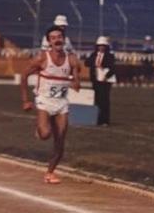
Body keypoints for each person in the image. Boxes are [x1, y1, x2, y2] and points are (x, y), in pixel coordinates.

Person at [21, 25, 82, 184]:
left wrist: (70, 80)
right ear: (49, 42)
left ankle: (50, 172)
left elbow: (77, 85)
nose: (57, 40)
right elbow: (24, 76)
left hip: (62, 103)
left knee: (60, 140)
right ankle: (40, 130)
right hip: (44, 101)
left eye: (59, 37)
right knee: (45, 134)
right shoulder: (42, 58)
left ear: (64, 39)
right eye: (53, 38)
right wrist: (25, 100)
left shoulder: (72, 60)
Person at [84, 36, 116, 126]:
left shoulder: (110, 56)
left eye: (103, 45)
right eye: (99, 45)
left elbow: (113, 68)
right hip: (96, 80)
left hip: (105, 81)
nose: (101, 47)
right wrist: (94, 62)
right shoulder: (93, 55)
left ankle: (105, 120)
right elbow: (86, 63)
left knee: (104, 100)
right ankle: (97, 119)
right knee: (97, 100)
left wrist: (106, 76)